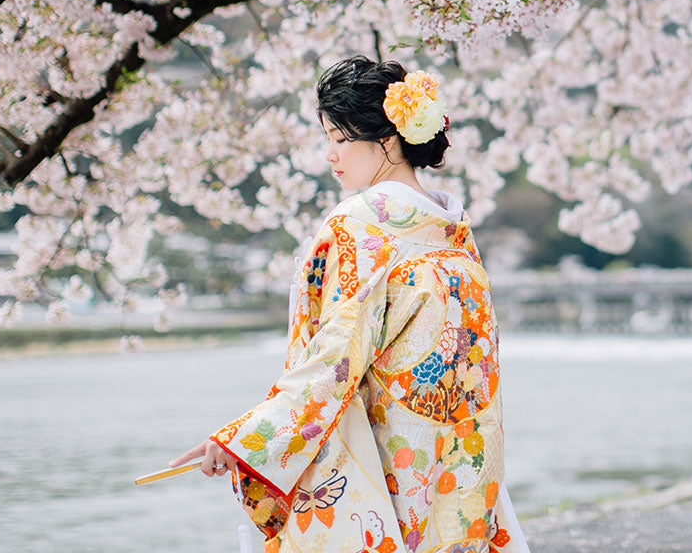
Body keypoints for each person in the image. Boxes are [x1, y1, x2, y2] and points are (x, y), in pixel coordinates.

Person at [172, 57, 526, 553]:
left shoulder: (359, 225)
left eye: (340, 139)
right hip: (462, 461)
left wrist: (248, 440)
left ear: (387, 140)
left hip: (391, 464)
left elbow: (334, 360)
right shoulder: (452, 231)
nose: (329, 154)